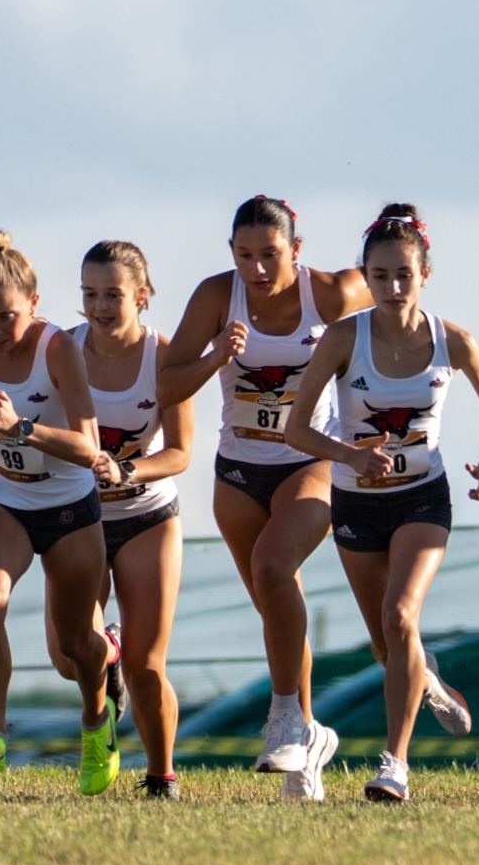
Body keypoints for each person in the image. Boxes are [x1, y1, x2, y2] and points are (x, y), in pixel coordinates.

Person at [284, 204, 479, 801]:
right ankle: (425, 677)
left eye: (404, 274)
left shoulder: (452, 340)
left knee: (400, 616)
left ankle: (395, 765)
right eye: (379, 276)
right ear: (366, 276)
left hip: (422, 499)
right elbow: (296, 431)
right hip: (355, 501)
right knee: (390, 648)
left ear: (425, 274)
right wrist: (351, 456)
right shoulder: (342, 338)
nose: (392, 287)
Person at [157, 196, 371, 801]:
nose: (257, 269)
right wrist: (215, 355)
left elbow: (391, 292)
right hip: (238, 471)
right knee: (277, 606)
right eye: (244, 255)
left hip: (311, 461)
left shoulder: (328, 294)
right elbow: (167, 383)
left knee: (274, 567)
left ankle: (283, 719)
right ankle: (308, 747)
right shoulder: (213, 297)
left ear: (296, 252)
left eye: (270, 255)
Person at [0, 232, 121, 796]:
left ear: (35, 303)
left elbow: (89, 448)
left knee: (75, 648)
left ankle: (98, 721)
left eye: (7, 317)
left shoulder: (57, 350)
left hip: (70, 507)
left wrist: (18, 425)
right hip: (8, 501)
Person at [64, 240, 192, 799]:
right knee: (71, 656)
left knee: (146, 665)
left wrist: (128, 470)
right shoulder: (59, 350)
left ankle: (161, 777)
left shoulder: (165, 357)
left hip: (147, 516)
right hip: (76, 517)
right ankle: (105, 655)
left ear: (142, 295)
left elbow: (181, 451)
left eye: (113, 294)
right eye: (90, 294)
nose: (100, 306)